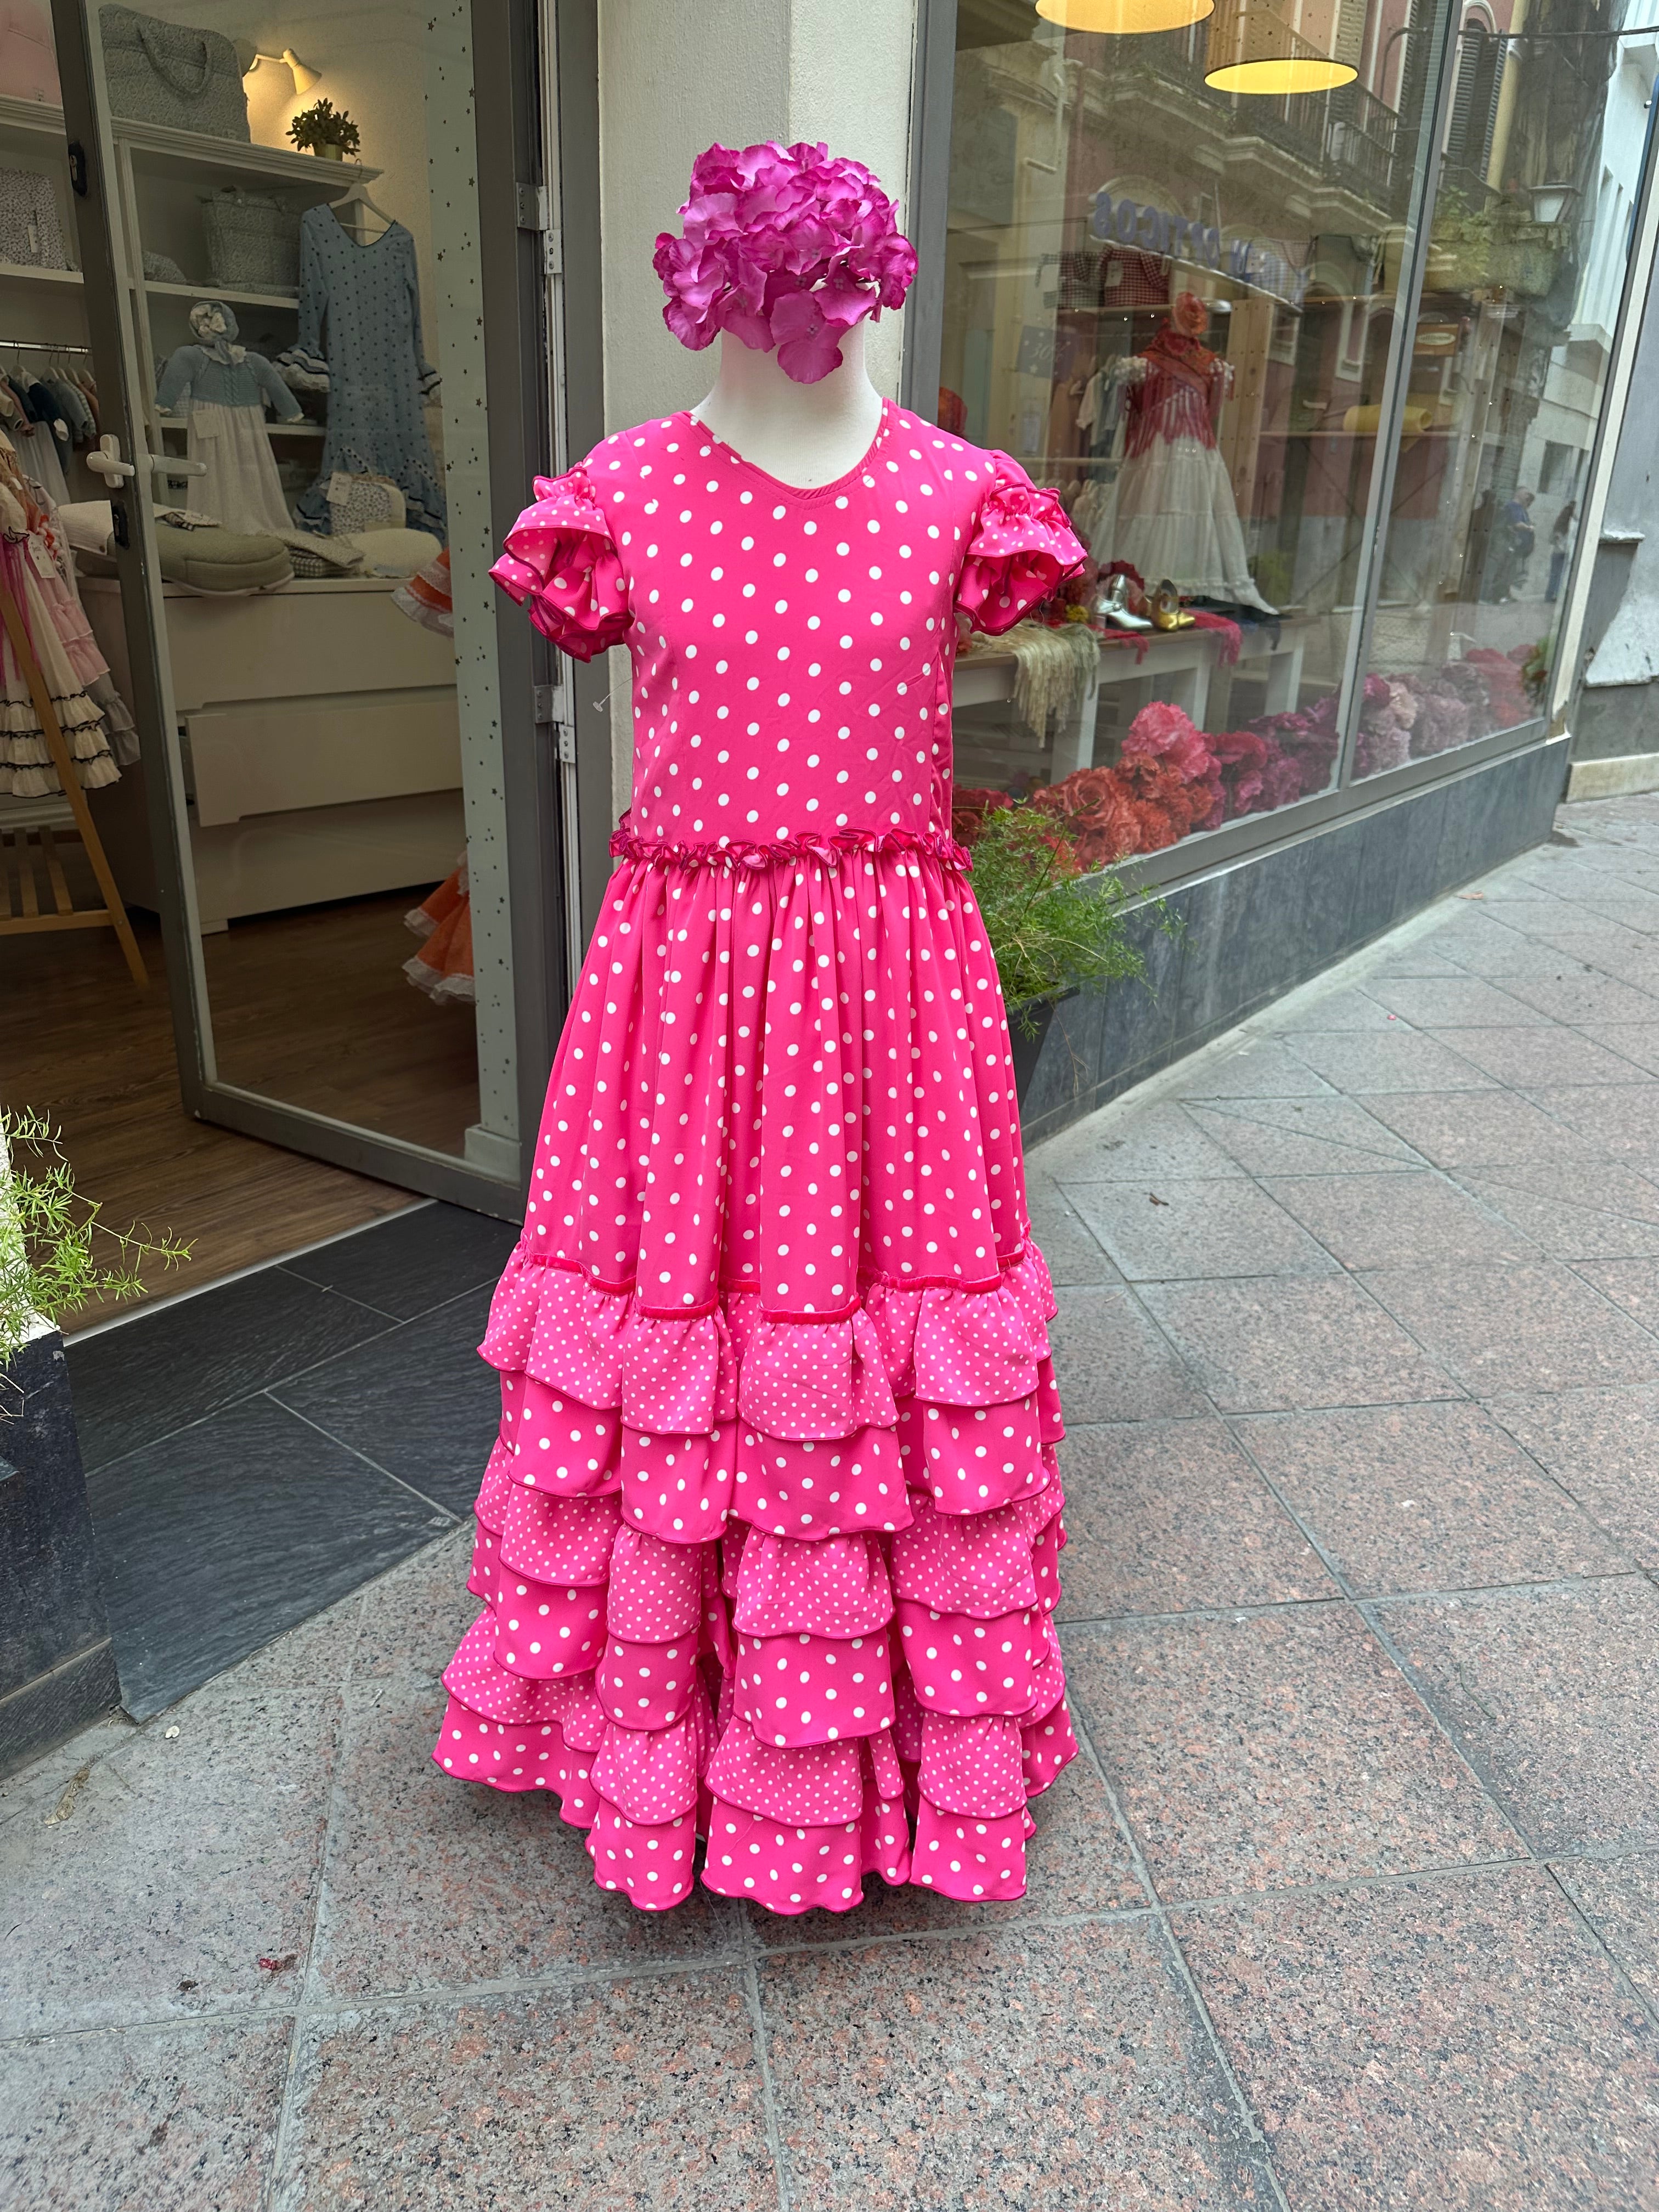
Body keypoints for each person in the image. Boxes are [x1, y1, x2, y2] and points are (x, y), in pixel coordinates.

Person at [427, 142, 1086, 1917]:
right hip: (690, 1014)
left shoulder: (966, 499)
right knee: (684, 1335)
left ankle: (857, 1734)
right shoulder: (622, 496)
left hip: (890, 1010)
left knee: (877, 1327)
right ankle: (661, 1721)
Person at [1496, 486, 1536, 601]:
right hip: (1511, 545)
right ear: (1518, 494)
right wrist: (1529, 528)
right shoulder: (1513, 507)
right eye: (1526, 494)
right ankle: (1500, 595)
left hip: (1518, 547)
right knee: (1506, 570)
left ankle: (1506, 594)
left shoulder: (1521, 509)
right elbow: (1516, 524)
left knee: (1512, 572)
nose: (1528, 496)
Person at [1547, 498, 1576, 602]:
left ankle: (1551, 595)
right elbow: (1558, 540)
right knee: (1557, 574)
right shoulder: (1566, 525)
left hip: (1559, 551)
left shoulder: (1562, 524)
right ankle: (1552, 595)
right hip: (1561, 552)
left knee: (1556, 574)